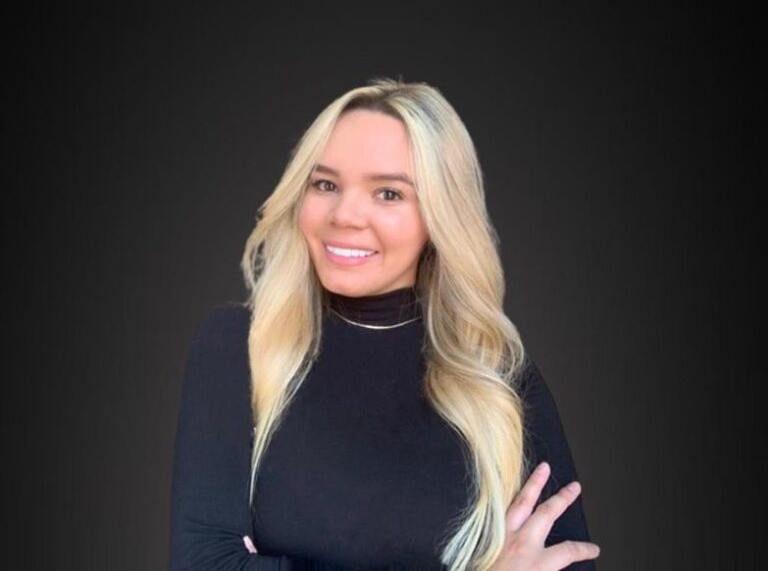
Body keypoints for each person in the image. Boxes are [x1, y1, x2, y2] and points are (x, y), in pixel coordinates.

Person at [168, 77, 601, 570]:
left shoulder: (500, 381)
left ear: (440, 216)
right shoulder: (239, 347)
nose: (345, 215)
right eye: (325, 184)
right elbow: (205, 565)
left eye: (389, 193)